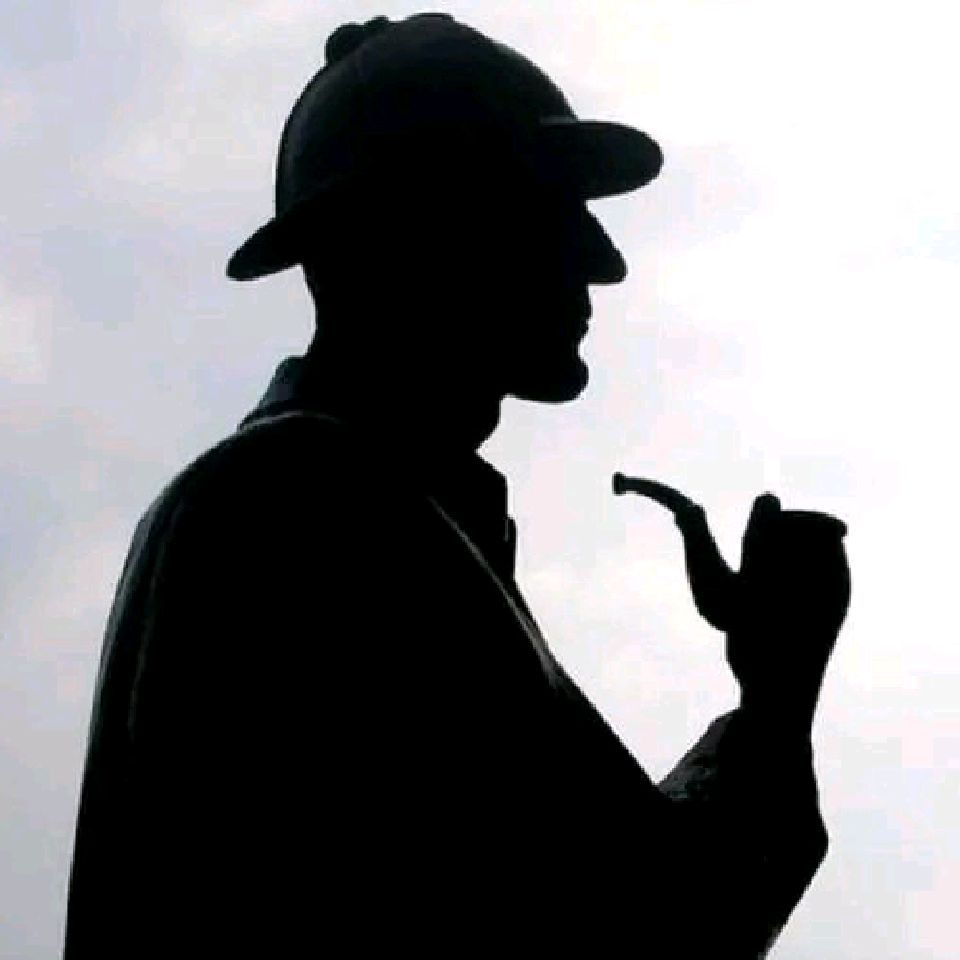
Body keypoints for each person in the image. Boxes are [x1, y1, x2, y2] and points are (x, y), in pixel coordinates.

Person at [62, 13, 851, 958]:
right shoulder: (315, 512)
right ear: (427, 229)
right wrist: (778, 705)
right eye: (552, 203)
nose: (603, 259)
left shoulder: (335, 506)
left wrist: (772, 702)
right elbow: (648, 934)